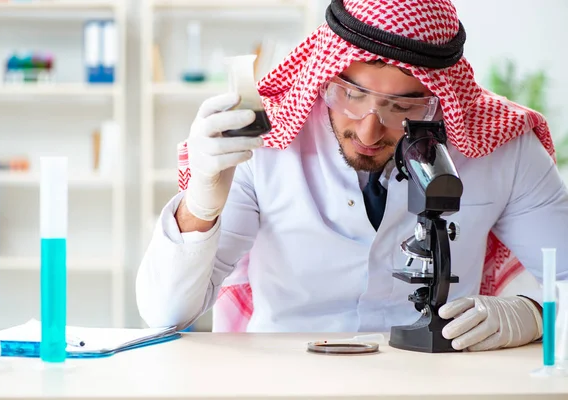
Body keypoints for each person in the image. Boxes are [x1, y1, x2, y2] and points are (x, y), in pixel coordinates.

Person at [136, 0, 568, 352]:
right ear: (324, 75)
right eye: (352, 94)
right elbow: (166, 314)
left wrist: (534, 315)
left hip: (436, 383)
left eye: (403, 108)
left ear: (440, 99)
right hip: (283, 382)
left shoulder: (503, 148)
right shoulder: (264, 142)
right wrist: (201, 205)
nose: (368, 129)